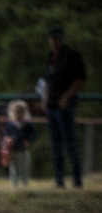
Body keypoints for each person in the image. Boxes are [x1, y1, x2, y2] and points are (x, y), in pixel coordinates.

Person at [43, 25, 86, 188]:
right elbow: (47, 80)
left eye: (59, 38)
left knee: (70, 143)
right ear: (50, 40)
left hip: (65, 106)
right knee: (55, 145)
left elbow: (80, 78)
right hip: (52, 105)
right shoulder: (51, 57)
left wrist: (67, 97)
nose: (56, 42)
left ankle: (77, 179)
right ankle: (59, 180)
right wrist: (45, 98)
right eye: (54, 39)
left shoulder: (72, 56)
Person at [3, 100, 38, 187]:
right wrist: (7, 140)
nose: (18, 114)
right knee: (13, 169)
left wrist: (28, 140)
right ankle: (14, 186)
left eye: (20, 112)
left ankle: (24, 185)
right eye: (16, 112)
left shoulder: (27, 124)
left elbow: (34, 135)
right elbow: (5, 135)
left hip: (23, 150)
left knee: (24, 169)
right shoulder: (10, 125)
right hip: (13, 150)